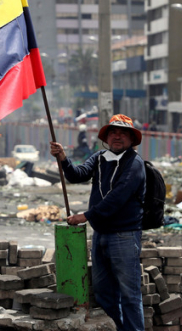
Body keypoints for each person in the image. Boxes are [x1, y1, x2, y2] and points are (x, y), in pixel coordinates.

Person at [50, 114, 146, 331]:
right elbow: (77, 175)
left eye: (123, 133)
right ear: (106, 137)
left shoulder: (135, 164)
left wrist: (86, 216)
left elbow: (118, 196)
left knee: (129, 294)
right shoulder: (100, 157)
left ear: (131, 139)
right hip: (101, 234)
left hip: (124, 235)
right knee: (103, 292)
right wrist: (64, 158)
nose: (117, 136)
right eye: (113, 132)